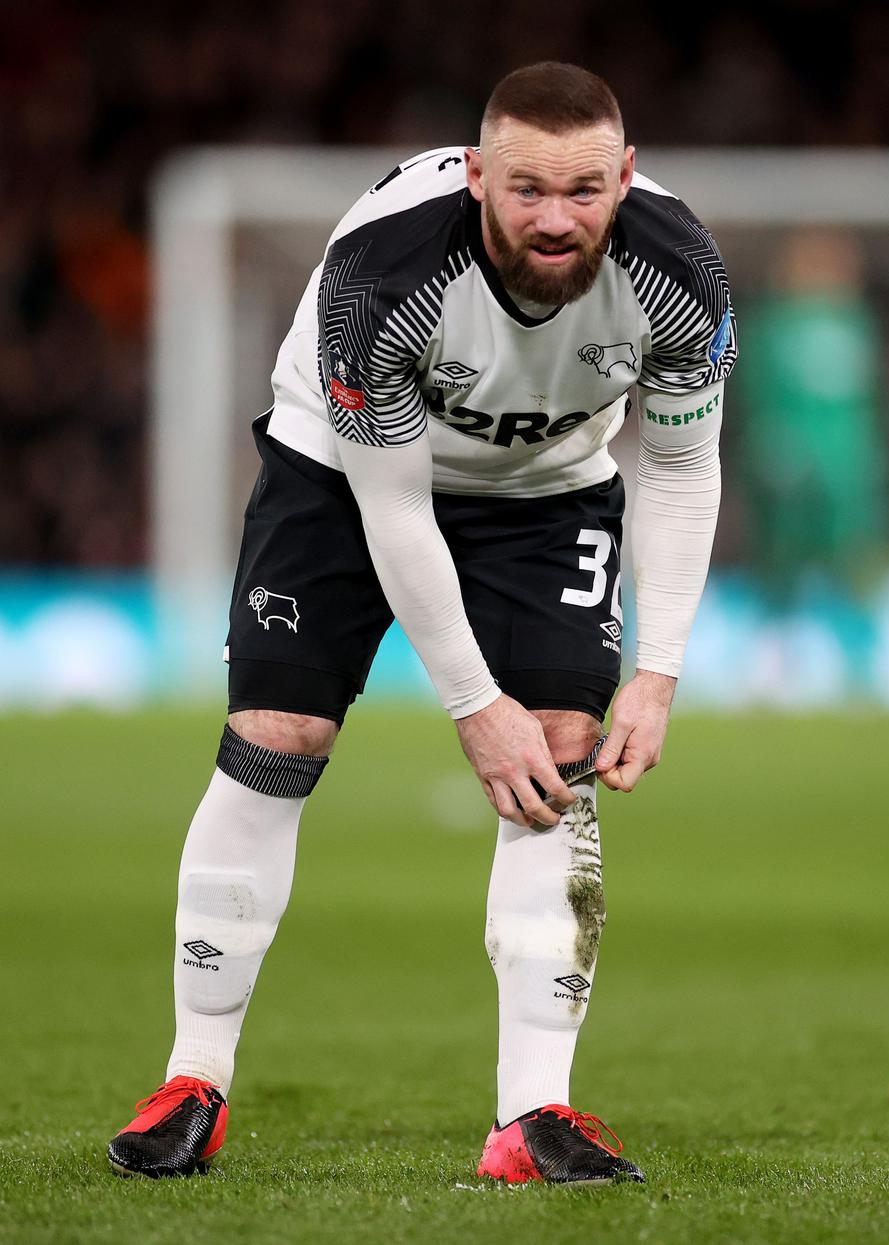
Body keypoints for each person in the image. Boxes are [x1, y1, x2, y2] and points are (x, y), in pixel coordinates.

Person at [108, 61, 736, 1185]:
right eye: (528, 189)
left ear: (626, 176)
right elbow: (396, 510)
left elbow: (684, 467)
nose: (558, 218)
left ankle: (534, 1117)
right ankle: (191, 1074)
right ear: (478, 177)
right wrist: (467, 702)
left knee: (559, 756)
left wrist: (662, 668)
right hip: (342, 472)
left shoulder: (680, 273)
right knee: (277, 738)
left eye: (586, 190)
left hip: (547, 488)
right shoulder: (381, 277)